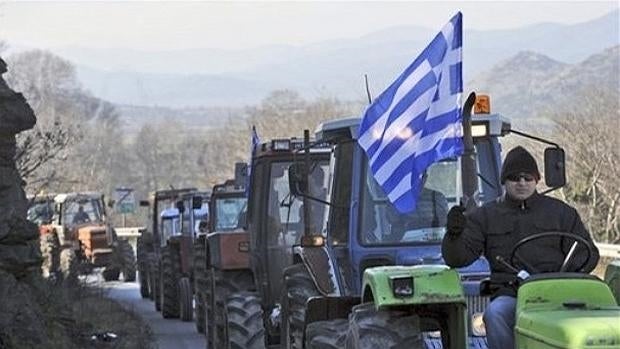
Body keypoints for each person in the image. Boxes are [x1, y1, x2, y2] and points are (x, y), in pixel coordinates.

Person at [442, 146, 599, 349]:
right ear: (504, 181)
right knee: (495, 313)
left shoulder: (562, 213)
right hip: (512, 294)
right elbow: (457, 258)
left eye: (527, 177)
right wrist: (454, 235)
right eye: (515, 178)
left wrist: (564, 277)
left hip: (560, 293)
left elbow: (588, 254)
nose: (522, 183)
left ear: (536, 180)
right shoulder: (486, 215)